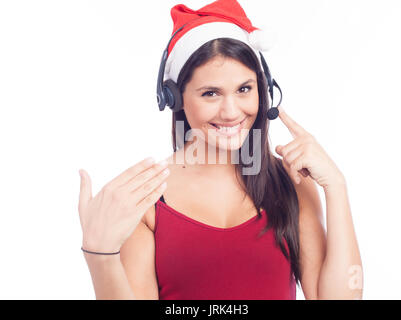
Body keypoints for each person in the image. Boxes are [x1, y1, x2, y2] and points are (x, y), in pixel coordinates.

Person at [78, 0, 363, 300]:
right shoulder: (148, 197)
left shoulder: (291, 183)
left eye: (244, 89)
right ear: (175, 98)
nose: (231, 112)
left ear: (262, 90)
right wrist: (100, 255)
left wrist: (337, 186)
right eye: (211, 93)